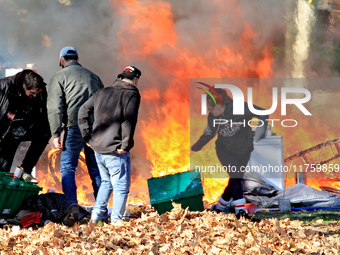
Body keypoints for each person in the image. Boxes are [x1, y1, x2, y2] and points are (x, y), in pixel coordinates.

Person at [47, 46, 104, 226]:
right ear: (78, 59)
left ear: (62, 60)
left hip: (74, 127)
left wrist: (55, 133)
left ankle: (72, 204)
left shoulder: (59, 77)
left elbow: (55, 107)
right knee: (96, 169)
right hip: (97, 127)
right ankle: (101, 211)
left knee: (67, 168)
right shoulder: (94, 76)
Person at [191, 87, 267, 221]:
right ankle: (241, 213)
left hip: (245, 149)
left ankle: (220, 207)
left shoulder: (240, 107)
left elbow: (262, 112)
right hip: (224, 150)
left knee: (234, 179)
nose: (209, 111)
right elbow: (209, 133)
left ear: (220, 105)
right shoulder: (213, 117)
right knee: (236, 177)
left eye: (211, 108)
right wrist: (197, 146)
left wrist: (261, 130)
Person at [78, 65, 141, 225]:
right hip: (115, 150)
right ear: (136, 80)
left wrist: (87, 137)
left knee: (106, 182)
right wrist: (125, 145)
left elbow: (83, 111)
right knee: (120, 186)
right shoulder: (132, 94)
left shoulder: (102, 92)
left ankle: (96, 218)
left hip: (98, 148)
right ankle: (116, 223)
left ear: (120, 78)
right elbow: (129, 120)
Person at [0, 69, 50, 179]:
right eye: (32, 93)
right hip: (6, 130)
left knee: (45, 133)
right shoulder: (4, 86)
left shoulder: (40, 90)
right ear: (24, 85)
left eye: (37, 93)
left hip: (26, 126)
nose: (35, 95)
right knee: (3, 168)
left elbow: (44, 112)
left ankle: (26, 171)